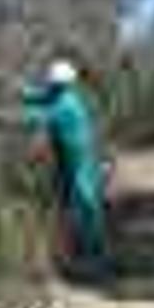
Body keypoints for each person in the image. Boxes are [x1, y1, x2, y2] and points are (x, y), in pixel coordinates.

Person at [22, 59, 110, 280]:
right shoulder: (63, 97)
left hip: (80, 159)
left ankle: (94, 257)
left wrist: (9, 111)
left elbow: (38, 114)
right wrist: (22, 93)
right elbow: (40, 98)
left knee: (86, 204)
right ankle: (82, 251)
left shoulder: (64, 105)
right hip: (74, 157)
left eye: (53, 83)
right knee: (77, 203)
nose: (51, 86)